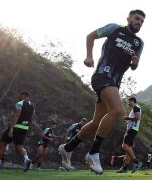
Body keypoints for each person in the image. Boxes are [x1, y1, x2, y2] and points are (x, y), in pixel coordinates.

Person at [58, 9, 145, 174]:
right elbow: (90, 36)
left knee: (96, 121)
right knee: (118, 110)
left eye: (141, 21)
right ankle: (93, 152)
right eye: (136, 18)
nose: (139, 22)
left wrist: (135, 63)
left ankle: (68, 148)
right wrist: (89, 56)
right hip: (101, 75)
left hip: (114, 82)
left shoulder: (139, 43)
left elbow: (134, 66)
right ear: (128, 18)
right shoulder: (114, 29)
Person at [0, 91, 35, 172]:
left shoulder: (20, 103)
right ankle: (26, 160)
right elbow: (32, 117)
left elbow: (17, 114)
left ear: (23, 95)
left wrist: (12, 127)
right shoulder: (32, 105)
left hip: (16, 127)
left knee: (2, 145)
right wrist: (26, 126)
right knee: (19, 146)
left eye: (20, 94)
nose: (19, 96)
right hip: (24, 128)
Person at [116, 97, 142, 173]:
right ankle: (125, 168)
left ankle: (137, 162)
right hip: (133, 129)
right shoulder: (134, 109)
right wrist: (128, 121)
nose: (128, 103)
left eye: (129, 102)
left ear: (132, 101)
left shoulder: (136, 107)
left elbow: (138, 117)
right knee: (128, 150)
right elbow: (135, 119)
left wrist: (127, 118)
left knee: (124, 146)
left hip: (132, 130)